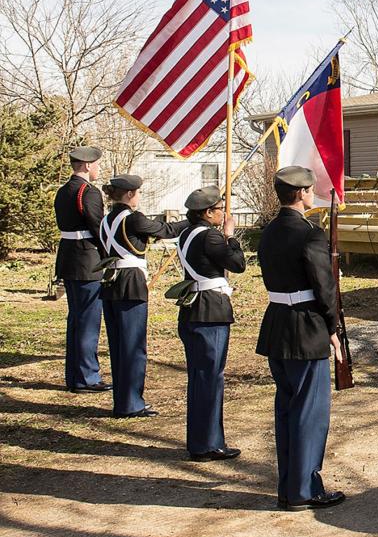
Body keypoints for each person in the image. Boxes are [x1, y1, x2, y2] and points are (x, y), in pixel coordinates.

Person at [257, 166, 346, 510]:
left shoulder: (269, 231)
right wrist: (332, 328)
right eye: (310, 190)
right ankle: (305, 489)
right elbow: (324, 288)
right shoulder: (310, 233)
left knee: (287, 409)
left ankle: (288, 486)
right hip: (306, 326)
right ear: (303, 193)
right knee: (310, 412)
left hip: (278, 322)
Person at [98, 174, 188, 418]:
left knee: (118, 345)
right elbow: (166, 230)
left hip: (109, 281)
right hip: (130, 282)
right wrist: (190, 219)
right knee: (133, 345)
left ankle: (122, 399)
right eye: (137, 192)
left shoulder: (106, 220)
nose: (139, 196)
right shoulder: (133, 218)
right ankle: (131, 403)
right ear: (129, 194)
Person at [176, 186, 246, 461]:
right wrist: (230, 236)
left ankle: (200, 439)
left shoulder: (186, 234)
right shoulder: (211, 236)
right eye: (219, 209)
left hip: (194, 307)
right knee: (210, 378)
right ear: (207, 213)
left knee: (199, 378)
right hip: (209, 310)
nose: (223, 213)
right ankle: (208, 443)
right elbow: (238, 264)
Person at [54, 146, 110, 393]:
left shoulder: (63, 191)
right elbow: (98, 227)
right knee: (87, 320)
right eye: (96, 164)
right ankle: (87, 376)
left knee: (76, 319)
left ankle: (75, 375)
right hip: (87, 260)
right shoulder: (88, 191)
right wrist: (110, 255)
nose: (98, 168)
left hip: (68, 256)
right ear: (87, 166)